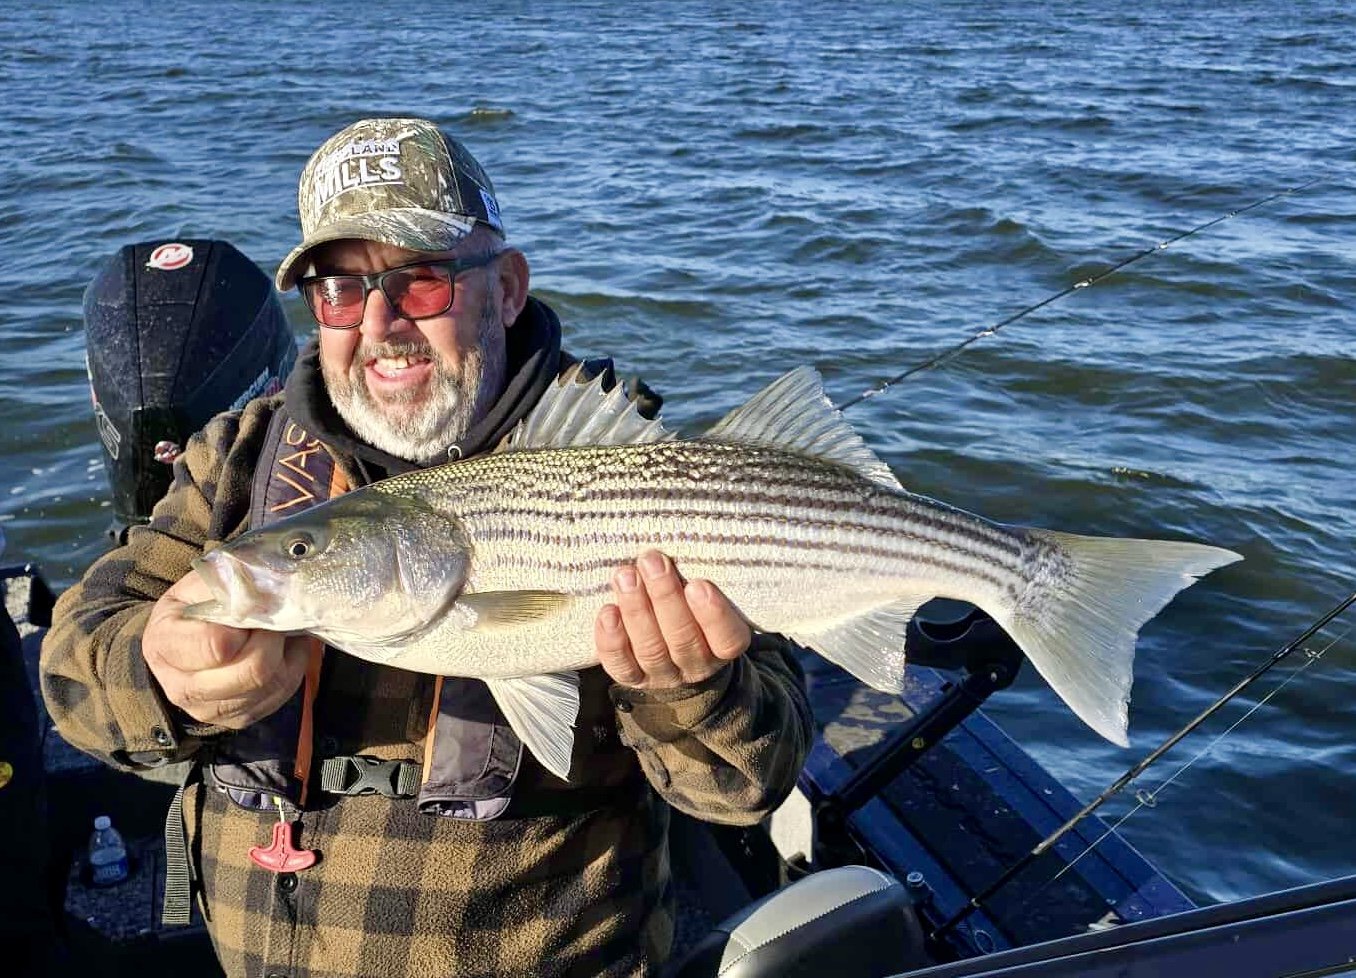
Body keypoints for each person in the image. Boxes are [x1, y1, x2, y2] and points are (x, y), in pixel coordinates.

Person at [40, 117, 814, 978]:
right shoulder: (237, 458)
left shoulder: (629, 465)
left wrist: (693, 691)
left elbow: (748, 786)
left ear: (509, 288)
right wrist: (158, 671)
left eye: (422, 281)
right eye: (338, 289)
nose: (380, 322)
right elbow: (76, 665)